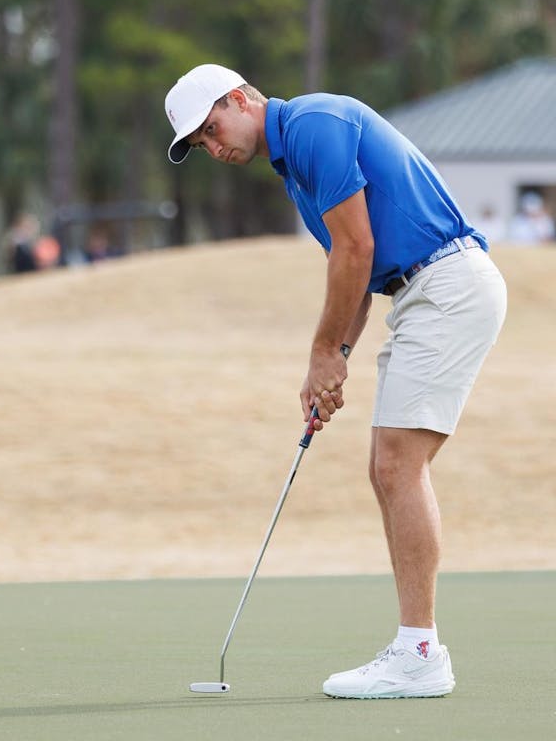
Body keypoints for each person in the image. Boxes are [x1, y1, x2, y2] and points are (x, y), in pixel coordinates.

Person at [165, 63, 507, 699]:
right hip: (423, 293)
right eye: (201, 145)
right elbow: (349, 266)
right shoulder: (294, 162)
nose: (214, 148)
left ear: (240, 99)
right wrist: (331, 363)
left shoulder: (316, 124)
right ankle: (417, 648)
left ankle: (420, 653)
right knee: (389, 467)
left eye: (211, 129)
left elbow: (357, 250)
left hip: (447, 285)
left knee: (398, 465)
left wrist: (326, 350)